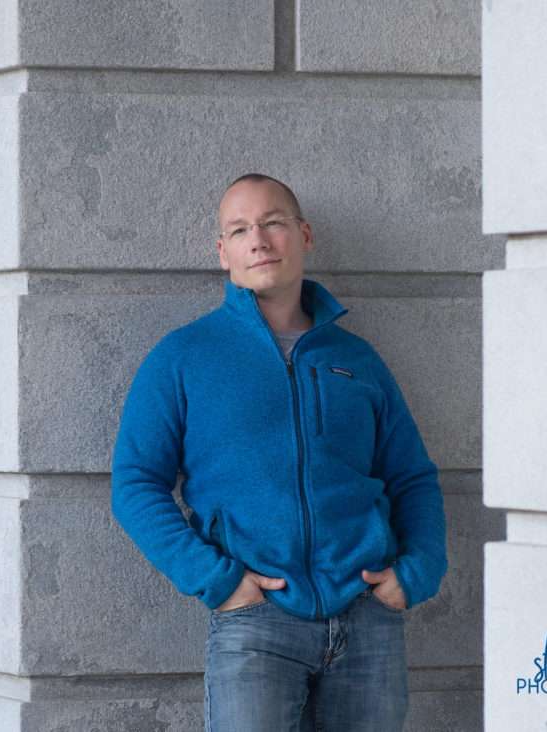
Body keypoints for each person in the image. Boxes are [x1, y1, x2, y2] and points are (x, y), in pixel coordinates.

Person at [110, 172, 448, 731]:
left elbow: (411, 476)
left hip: (367, 619)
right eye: (240, 230)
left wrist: (418, 571)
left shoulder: (356, 359)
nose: (259, 240)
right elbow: (134, 484)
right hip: (256, 625)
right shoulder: (183, 357)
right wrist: (218, 581)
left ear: (304, 234)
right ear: (224, 253)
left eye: (272, 223)